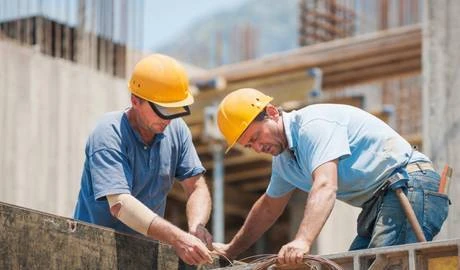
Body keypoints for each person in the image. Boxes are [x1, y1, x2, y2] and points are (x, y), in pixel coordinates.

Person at [213, 88, 450, 265]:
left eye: (255, 137)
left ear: (272, 113)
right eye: (249, 145)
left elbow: (325, 185)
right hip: (381, 202)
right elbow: (267, 208)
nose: (257, 147)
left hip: (409, 186)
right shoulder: (284, 162)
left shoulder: (312, 126)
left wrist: (302, 241)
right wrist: (231, 251)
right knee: (348, 267)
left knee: (385, 264)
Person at [74, 54, 213, 265]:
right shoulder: (109, 133)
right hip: (93, 253)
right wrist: (177, 238)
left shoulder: (177, 129)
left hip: (143, 256)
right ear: (135, 101)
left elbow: (196, 187)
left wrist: (197, 227)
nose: (169, 118)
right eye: (162, 110)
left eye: (175, 109)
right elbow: (120, 204)